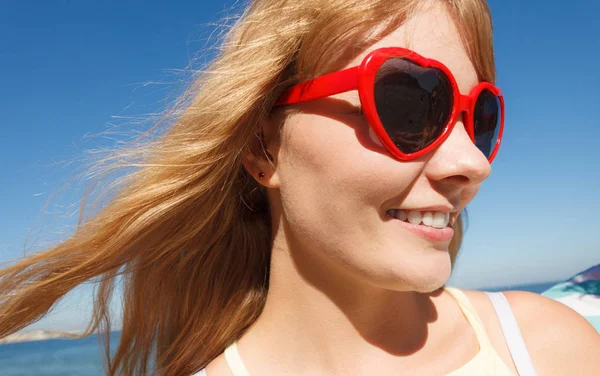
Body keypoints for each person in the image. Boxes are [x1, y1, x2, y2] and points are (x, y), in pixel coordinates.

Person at [1, 0, 599, 375]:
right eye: (410, 102)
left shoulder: (549, 349)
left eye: (480, 117)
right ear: (264, 148)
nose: (473, 162)